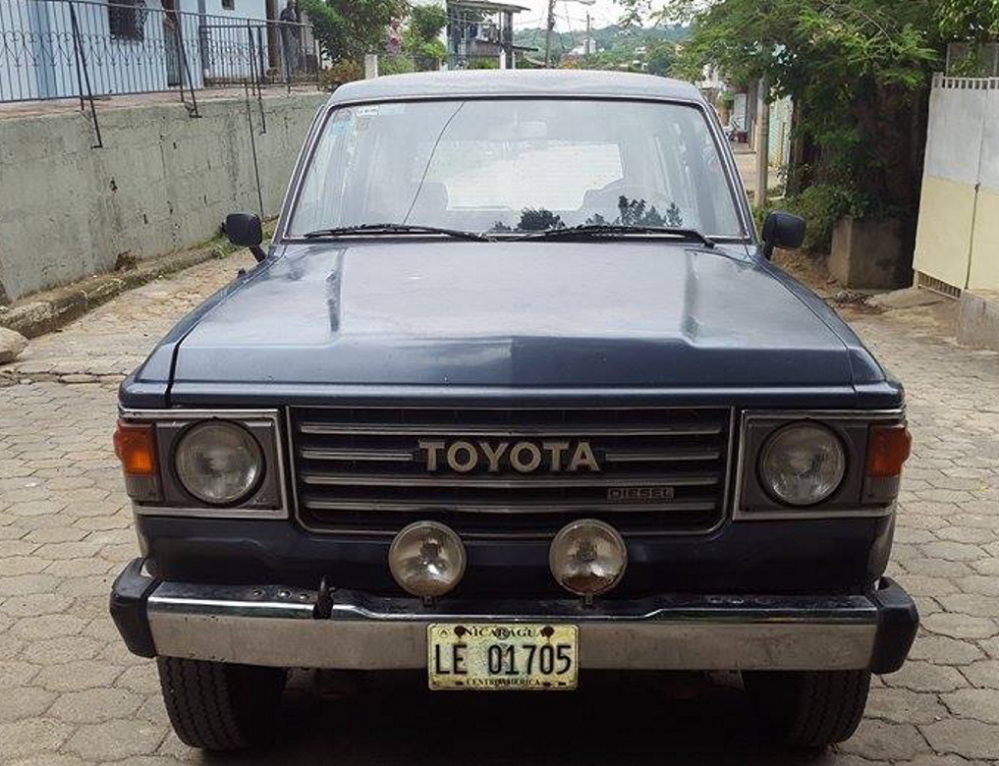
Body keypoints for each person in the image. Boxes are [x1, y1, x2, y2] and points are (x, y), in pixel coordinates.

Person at [279, 0, 299, 77]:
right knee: (288, 52)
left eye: (294, 4)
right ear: (289, 4)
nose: (294, 5)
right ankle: (288, 72)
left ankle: (293, 70)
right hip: (288, 33)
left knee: (294, 52)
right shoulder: (285, 11)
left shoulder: (293, 12)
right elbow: (284, 20)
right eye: (292, 3)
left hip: (293, 34)